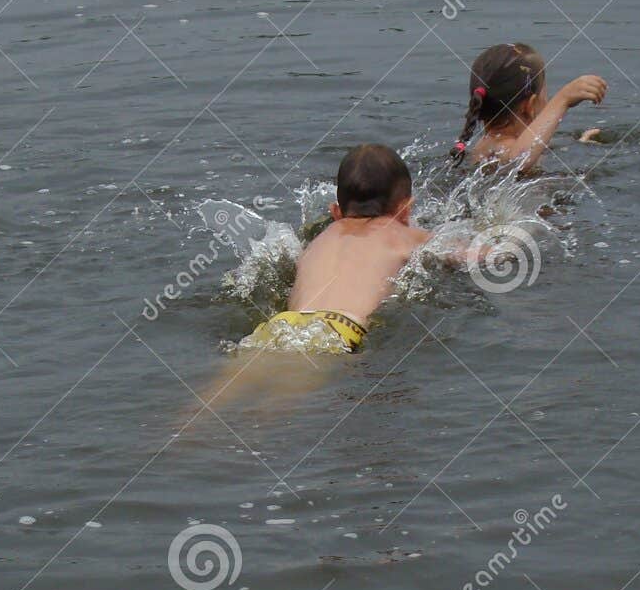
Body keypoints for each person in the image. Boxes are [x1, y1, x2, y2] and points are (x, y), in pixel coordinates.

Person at [238, 143, 429, 355]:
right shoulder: (401, 235)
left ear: (336, 212)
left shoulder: (321, 238)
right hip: (338, 329)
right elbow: (460, 252)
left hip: (281, 326)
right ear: (405, 210)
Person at [450, 42, 607, 170]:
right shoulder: (502, 147)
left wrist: (578, 144)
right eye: (546, 96)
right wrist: (562, 100)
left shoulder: (485, 144)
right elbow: (518, 160)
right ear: (530, 106)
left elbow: (535, 146)